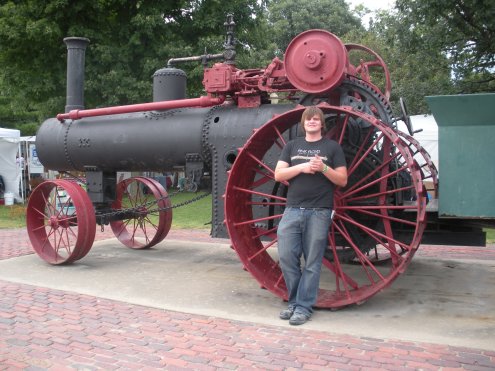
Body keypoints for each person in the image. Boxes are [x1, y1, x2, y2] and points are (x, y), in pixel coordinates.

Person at [274, 106, 348, 325]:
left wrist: (324, 168)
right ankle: (295, 302)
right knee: (287, 256)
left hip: (319, 211)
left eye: (316, 119)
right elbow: (279, 174)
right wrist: (303, 167)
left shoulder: (332, 148)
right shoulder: (292, 146)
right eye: (309, 119)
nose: (312, 122)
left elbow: (342, 180)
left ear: (321, 124)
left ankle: (303, 307)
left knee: (312, 262)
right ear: (303, 123)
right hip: (293, 209)